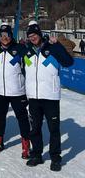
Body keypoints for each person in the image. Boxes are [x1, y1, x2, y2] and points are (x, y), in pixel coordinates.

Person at [25, 21, 74, 171]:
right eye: (30, 36)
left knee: (53, 129)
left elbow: (68, 62)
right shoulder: (27, 51)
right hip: (33, 96)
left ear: (40, 34)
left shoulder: (52, 48)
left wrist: (58, 45)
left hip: (50, 96)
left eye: (34, 35)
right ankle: (36, 155)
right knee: (35, 128)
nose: (33, 38)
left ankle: (55, 158)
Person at [0, 24, 30, 159]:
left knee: (22, 119)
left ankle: (26, 147)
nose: (4, 38)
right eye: (2, 36)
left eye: (7, 35)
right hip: (0, 91)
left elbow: (28, 68)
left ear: (11, 36)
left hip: (17, 92)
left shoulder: (20, 49)